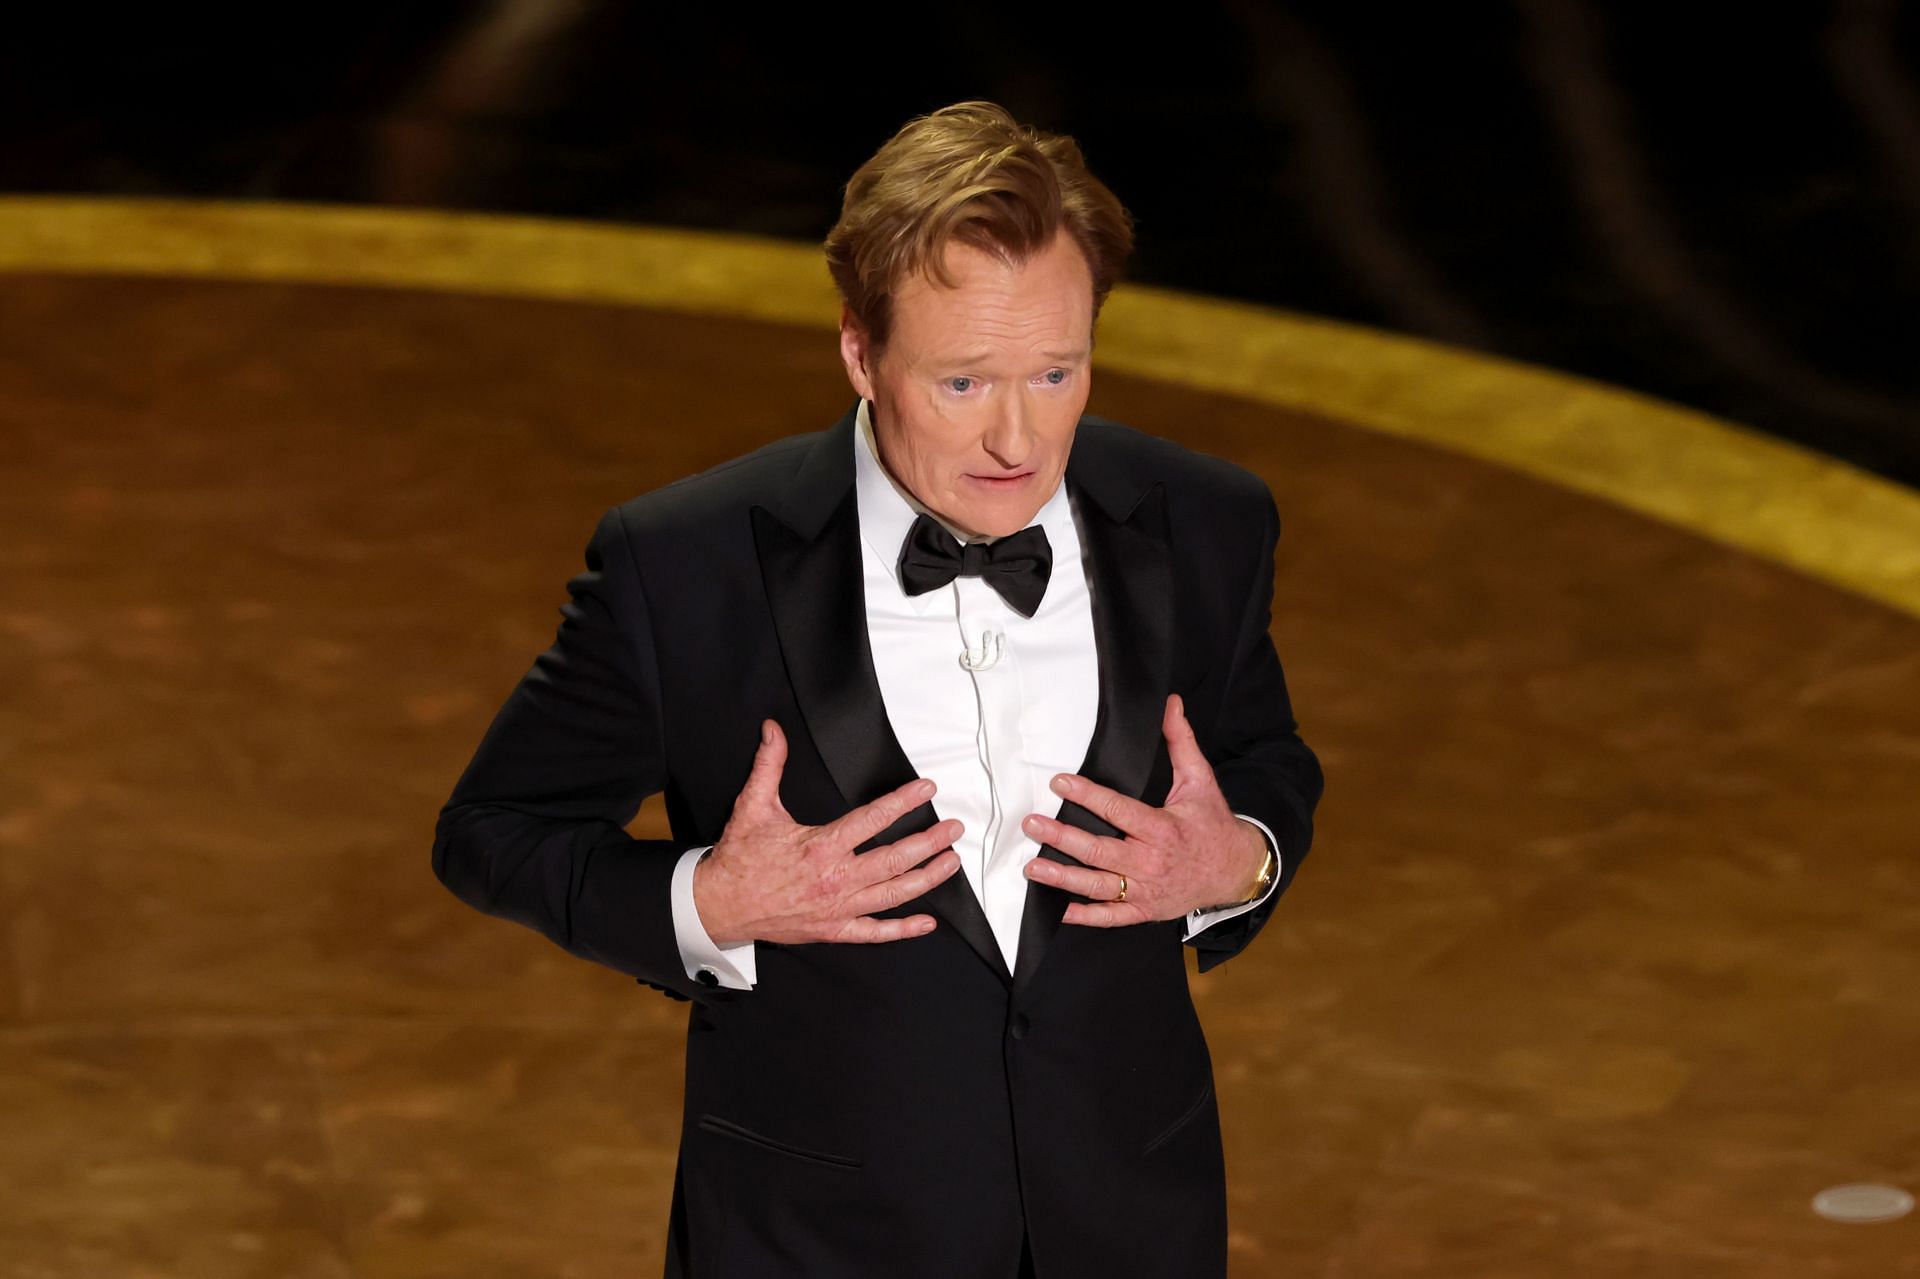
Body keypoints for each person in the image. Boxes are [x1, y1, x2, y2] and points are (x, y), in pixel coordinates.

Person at [433, 99, 1324, 1279]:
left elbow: (1265, 763)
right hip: (814, 1239)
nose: (1019, 436)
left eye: (1058, 372)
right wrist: (713, 900)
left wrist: (1238, 863)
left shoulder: (1207, 522)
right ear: (861, 351)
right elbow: (488, 834)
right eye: (962, 384)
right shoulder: (686, 564)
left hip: (1130, 1219)